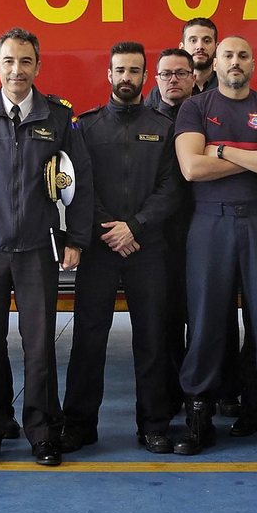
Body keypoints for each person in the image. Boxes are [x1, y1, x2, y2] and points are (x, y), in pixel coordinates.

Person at [0, 27, 93, 468]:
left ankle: (44, 432)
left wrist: (77, 240)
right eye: (8, 61)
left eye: (25, 61)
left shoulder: (59, 119)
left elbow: (79, 186)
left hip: (38, 249)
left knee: (39, 346)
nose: (16, 70)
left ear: (37, 67)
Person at [172, 35, 257, 456]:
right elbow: (192, 167)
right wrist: (253, 154)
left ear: (253, 63)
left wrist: (222, 148)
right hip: (210, 224)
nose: (235, 61)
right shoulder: (195, 107)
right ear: (216, 62)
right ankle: (198, 415)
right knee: (206, 322)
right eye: (228, 55)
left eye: (243, 54)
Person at [62, 44, 183, 453]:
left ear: (145, 76)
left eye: (134, 70)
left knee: (152, 339)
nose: (126, 77)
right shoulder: (87, 127)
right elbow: (78, 186)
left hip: (147, 247)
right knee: (88, 338)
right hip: (100, 248)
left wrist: (135, 226)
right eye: (119, 70)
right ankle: (79, 424)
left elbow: (172, 188)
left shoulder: (164, 127)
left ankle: (153, 424)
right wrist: (110, 230)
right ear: (108, 74)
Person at [148, 47, 198, 412]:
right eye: (166, 74)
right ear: (156, 79)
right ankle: (167, 394)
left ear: (194, 78)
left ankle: (207, 394)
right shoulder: (146, 119)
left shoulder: (209, 115)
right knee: (164, 319)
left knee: (206, 317)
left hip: (205, 230)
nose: (173, 80)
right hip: (159, 234)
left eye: (181, 73)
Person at [144, 16, 219, 107]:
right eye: (193, 40)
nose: (200, 46)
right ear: (182, 47)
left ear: (216, 47)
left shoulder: (226, 87)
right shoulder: (160, 91)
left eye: (207, 41)